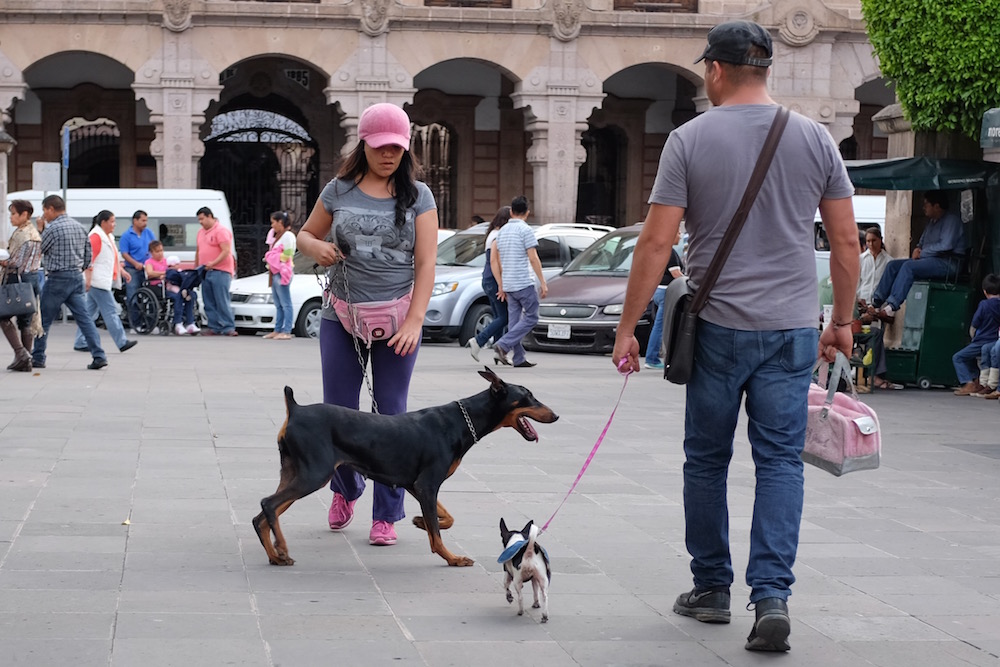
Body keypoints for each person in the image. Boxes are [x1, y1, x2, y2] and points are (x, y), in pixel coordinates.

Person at [611, 20, 859, 653]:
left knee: (707, 458)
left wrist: (629, 329)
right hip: (792, 329)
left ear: (716, 70)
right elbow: (845, 241)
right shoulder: (815, 137)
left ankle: (712, 587)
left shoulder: (689, 139)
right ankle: (771, 596)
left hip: (717, 327)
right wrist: (842, 322)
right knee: (780, 461)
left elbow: (657, 242)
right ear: (765, 68)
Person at [297, 102, 438, 547]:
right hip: (342, 316)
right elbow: (304, 234)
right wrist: (315, 248)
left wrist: (415, 321)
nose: (388, 154)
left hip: (398, 321)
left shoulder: (419, 196)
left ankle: (387, 515)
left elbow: (426, 262)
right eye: (380, 147)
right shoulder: (338, 190)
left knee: (393, 417)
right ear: (364, 145)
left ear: (406, 148)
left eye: (396, 147)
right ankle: (346, 488)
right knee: (338, 414)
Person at [31, 195, 109, 370]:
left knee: (43, 319)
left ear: (51, 209)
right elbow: (88, 255)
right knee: (85, 319)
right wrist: (81, 268)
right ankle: (99, 355)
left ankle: (38, 356)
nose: (44, 215)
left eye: (45, 211)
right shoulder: (79, 227)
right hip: (76, 277)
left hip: (57, 279)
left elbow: (39, 249)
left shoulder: (52, 229)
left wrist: (40, 229)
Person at [869, 191, 964, 322]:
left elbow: (946, 245)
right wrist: (918, 249)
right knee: (893, 265)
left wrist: (923, 253)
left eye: (926, 204)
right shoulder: (931, 223)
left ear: (936, 206)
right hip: (929, 260)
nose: (923, 207)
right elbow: (921, 243)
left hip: (948, 262)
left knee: (909, 267)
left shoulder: (951, 221)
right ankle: (876, 303)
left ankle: (891, 308)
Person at [492, 195, 547, 368]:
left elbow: (499, 259)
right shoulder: (525, 230)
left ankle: (519, 357)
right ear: (527, 213)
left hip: (509, 282)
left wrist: (501, 283)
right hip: (523, 281)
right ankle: (503, 345)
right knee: (532, 317)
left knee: (514, 322)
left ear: (511, 211)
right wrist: (543, 282)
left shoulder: (502, 232)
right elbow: (533, 258)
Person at [72, 211, 138, 355]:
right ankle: (121, 342)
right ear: (103, 222)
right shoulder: (96, 237)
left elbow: (112, 258)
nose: (114, 225)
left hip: (100, 280)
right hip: (98, 281)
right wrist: (88, 279)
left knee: (89, 313)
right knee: (110, 312)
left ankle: (80, 341)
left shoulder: (107, 237)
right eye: (112, 221)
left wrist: (121, 271)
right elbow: (88, 260)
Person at [0, 199, 43, 372]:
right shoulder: (35, 233)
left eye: (13, 214)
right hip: (32, 279)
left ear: (24, 214)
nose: (11, 217)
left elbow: (16, 262)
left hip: (17, 279)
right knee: (26, 320)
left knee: (3, 315)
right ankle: (26, 359)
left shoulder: (22, 235)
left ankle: (21, 353)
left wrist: (4, 261)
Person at [855, 226, 898, 390]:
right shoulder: (861, 259)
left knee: (875, 336)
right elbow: (857, 283)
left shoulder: (889, 262)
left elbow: (891, 288)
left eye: (874, 240)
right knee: (866, 335)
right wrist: (858, 302)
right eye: (868, 241)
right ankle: (869, 373)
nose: (871, 244)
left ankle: (873, 374)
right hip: (862, 304)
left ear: (880, 240)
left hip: (879, 306)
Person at [467, 205, 511, 360]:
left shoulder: (492, 233)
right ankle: (479, 341)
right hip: (494, 278)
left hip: (488, 278)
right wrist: (501, 284)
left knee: (499, 315)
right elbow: (495, 262)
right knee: (504, 317)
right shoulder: (498, 236)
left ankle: (499, 351)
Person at [951, 273, 1000, 396]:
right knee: (970, 357)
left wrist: (973, 336)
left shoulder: (984, 305)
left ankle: (968, 383)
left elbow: (975, 323)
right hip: (995, 341)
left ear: (985, 291)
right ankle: (977, 380)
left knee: (958, 357)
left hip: (982, 340)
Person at [643, 230, 684, 370]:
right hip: (667, 291)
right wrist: (688, 282)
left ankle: (654, 356)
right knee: (660, 327)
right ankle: (652, 358)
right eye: (678, 233)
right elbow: (676, 273)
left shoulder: (660, 252)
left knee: (659, 325)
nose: (680, 236)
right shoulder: (670, 253)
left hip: (658, 290)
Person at [195, 206, 237, 336]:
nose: (201, 222)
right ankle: (214, 326)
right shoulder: (201, 232)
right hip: (205, 271)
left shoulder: (221, 231)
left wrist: (213, 263)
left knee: (221, 299)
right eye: (199, 219)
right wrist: (196, 267)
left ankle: (228, 326)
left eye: (202, 219)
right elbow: (198, 250)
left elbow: (226, 251)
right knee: (208, 301)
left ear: (210, 216)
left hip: (220, 270)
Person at [144, 241, 198, 335]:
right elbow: (150, 273)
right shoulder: (149, 262)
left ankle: (190, 322)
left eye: (161, 250)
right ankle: (178, 322)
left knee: (190, 295)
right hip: (157, 287)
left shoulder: (166, 261)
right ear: (151, 252)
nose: (160, 253)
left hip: (171, 285)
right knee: (178, 297)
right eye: (157, 251)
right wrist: (165, 273)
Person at [119, 209, 155, 331]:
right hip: (132, 269)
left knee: (151, 295)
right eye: (143, 220)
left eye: (146, 221)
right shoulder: (126, 236)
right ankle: (135, 323)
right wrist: (135, 263)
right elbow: (124, 253)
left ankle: (150, 322)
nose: (145, 223)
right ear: (135, 221)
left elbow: (155, 247)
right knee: (133, 295)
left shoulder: (149, 233)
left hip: (147, 268)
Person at [263, 211, 296, 340]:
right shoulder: (278, 236)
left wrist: (272, 258)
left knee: (285, 303)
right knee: (278, 304)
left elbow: (288, 255)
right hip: (275, 272)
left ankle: (286, 330)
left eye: (273, 222)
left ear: (280, 222)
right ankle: (277, 329)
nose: (272, 226)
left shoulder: (288, 236)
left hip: (283, 272)